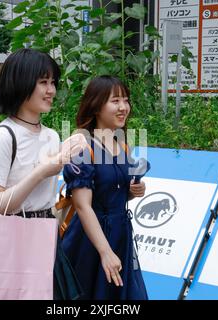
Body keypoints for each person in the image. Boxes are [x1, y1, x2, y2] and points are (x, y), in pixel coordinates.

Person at [0, 48, 83, 300]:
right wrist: (41, 172)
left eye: (53, 83)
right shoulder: (3, 137)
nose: (51, 90)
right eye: (43, 82)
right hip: (13, 242)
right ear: (21, 82)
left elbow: (47, 198)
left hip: (46, 237)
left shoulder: (51, 135)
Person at [62, 76, 149, 300]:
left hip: (121, 234)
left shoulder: (122, 143)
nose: (123, 107)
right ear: (97, 105)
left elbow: (114, 191)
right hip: (90, 241)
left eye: (126, 100)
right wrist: (105, 251)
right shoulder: (82, 146)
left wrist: (133, 191)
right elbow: (83, 206)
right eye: (115, 101)